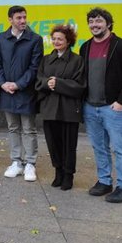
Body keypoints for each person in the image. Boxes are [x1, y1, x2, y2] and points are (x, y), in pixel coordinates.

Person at [79, 7, 122, 203]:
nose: (94, 25)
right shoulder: (85, 47)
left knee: (120, 149)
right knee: (99, 147)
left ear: (108, 24)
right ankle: (104, 181)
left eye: (98, 21)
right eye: (91, 21)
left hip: (114, 108)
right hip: (91, 107)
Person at [0, 5, 44, 182]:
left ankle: (30, 163)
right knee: (13, 127)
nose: (23, 21)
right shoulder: (2, 38)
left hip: (26, 92)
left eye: (24, 17)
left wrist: (18, 84)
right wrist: (2, 83)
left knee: (29, 129)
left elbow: (34, 67)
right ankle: (16, 161)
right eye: (19, 18)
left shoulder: (35, 39)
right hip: (7, 91)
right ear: (10, 20)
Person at [35, 24, 85, 190]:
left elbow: (80, 85)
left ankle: (68, 174)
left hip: (69, 108)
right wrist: (46, 83)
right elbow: (38, 79)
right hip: (50, 107)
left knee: (69, 144)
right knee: (53, 142)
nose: (56, 42)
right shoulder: (46, 59)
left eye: (60, 39)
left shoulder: (77, 60)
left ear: (68, 41)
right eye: (54, 38)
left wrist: (58, 83)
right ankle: (58, 172)